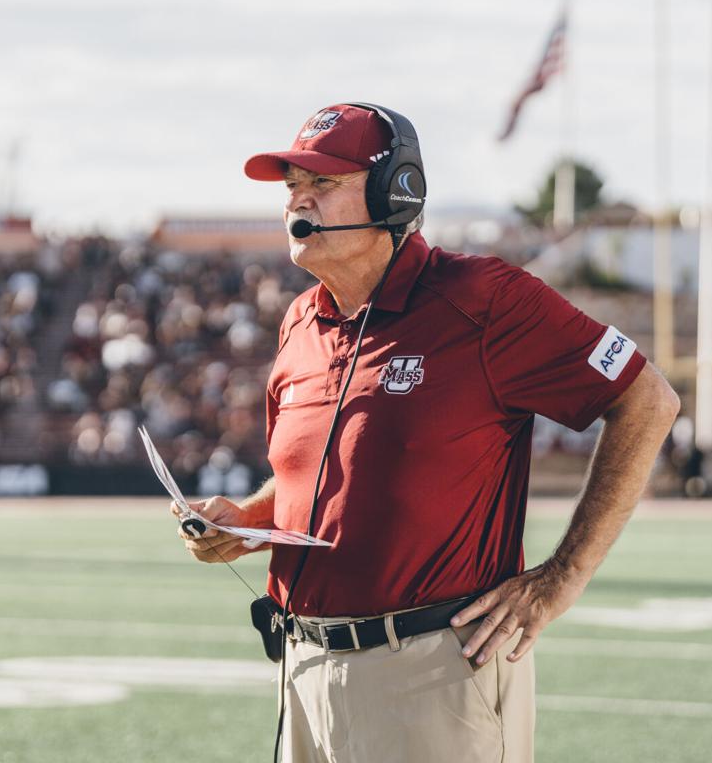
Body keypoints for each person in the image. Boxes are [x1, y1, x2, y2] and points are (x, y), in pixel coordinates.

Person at [174, 103, 681, 762]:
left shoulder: (482, 298)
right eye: (291, 186)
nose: (297, 199)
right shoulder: (300, 320)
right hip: (302, 671)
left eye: (321, 183)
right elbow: (323, 474)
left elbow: (647, 398)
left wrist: (564, 575)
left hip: (432, 672)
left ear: (395, 193)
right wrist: (244, 519)